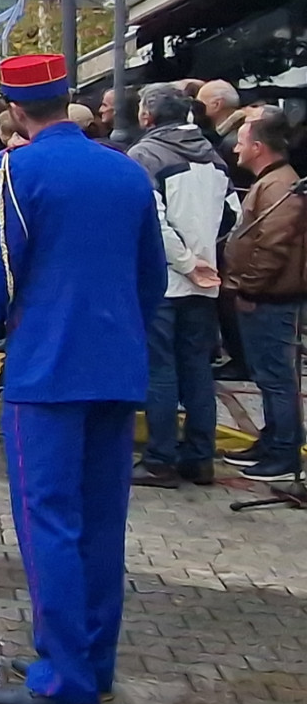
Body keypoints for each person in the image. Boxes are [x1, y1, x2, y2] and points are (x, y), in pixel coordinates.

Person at [0, 55, 166, 704]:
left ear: (15, 109)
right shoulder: (127, 170)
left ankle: (64, 672)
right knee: (102, 521)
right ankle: (88, 657)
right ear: (68, 98)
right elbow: (151, 278)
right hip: (118, 365)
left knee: (47, 518)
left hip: (46, 367)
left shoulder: (13, 171)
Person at [124, 83, 232, 489]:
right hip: (204, 281)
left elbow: (153, 221)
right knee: (198, 370)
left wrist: (188, 263)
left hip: (166, 280)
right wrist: (207, 258)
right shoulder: (214, 157)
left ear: (147, 116)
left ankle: (160, 459)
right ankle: (199, 459)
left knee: (161, 370)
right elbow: (231, 214)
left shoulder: (145, 155)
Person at [220, 111, 306, 483]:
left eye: (241, 140)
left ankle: (284, 452)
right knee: (268, 375)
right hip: (263, 294)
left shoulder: (278, 187)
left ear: (257, 147)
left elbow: (273, 244)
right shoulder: (269, 183)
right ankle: (272, 440)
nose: (235, 147)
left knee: (275, 377)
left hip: (269, 297)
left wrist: (250, 286)